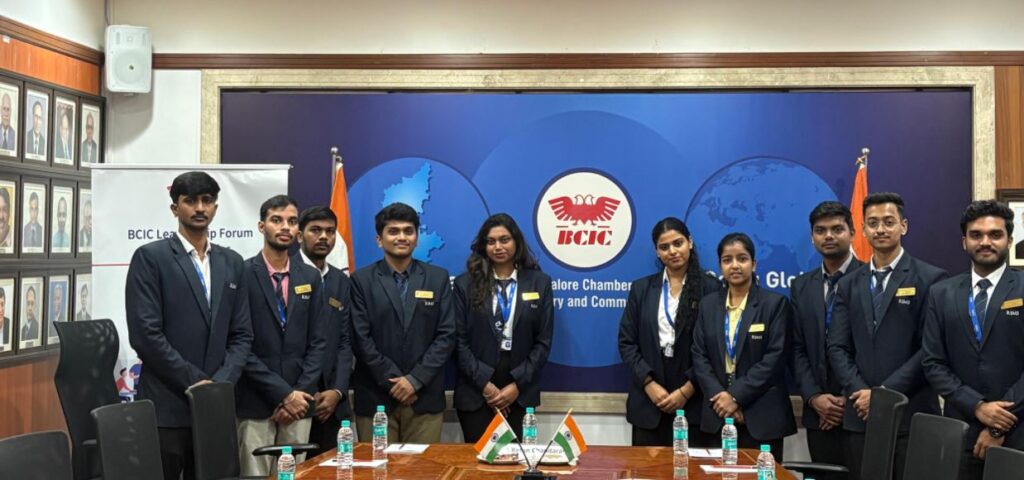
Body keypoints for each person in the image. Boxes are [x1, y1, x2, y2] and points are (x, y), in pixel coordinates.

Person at [126, 171, 253, 480]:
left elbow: (242, 334)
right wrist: (197, 382)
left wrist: (219, 385)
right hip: (168, 406)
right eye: (190, 201)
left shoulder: (232, 262)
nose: (199, 208)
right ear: (175, 208)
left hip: (217, 408)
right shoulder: (151, 258)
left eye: (207, 201)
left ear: (215, 208)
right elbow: (145, 335)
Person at [828, 192, 947, 480]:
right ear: (863, 229)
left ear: (903, 226)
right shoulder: (848, 284)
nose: (880, 229)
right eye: (873, 223)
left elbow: (929, 349)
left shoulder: (931, 279)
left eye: (888, 222)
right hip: (861, 415)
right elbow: (837, 347)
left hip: (912, 415)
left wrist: (881, 396)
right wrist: (862, 393)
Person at [922, 200, 1024, 480]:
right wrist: (978, 406)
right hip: (960, 433)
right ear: (964, 242)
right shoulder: (941, 293)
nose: (985, 242)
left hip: (1018, 435)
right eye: (976, 235)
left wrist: (997, 425)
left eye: (995, 234)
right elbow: (933, 363)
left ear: (1009, 240)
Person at [350, 202, 455, 444]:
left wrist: (414, 381)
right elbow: (360, 338)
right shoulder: (361, 280)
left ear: (417, 238)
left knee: (423, 466)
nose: (401, 237)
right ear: (379, 240)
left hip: (424, 398)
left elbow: (446, 335)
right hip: (376, 398)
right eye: (393, 231)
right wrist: (395, 383)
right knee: (378, 465)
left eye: (408, 231)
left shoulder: (437, 278)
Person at [236, 195, 326, 475]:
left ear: (298, 230)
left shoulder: (310, 277)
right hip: (255, 399)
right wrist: (282, 394)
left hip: (300, 401)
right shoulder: (241, 274)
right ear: (261, 226)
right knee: (255, 475)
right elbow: (238, 344)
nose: (285, 227)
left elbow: (319, 342)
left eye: (292, 221)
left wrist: (298, 395)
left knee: (294, 475)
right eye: (277, 220)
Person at [618, 217, 720, 447]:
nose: (672, 251)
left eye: (678, 243)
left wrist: (686, 391)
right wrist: (648, 384)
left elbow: (714, 348)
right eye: (664, 247)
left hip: (694, 404)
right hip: (649, 403)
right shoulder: (641, 289)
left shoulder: (711, 288)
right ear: (657, 252)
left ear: (690, 243)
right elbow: (627, 342)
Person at [691, 233, 795, 457]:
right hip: (717, 413)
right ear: (720, 266)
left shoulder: (774, 304)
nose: (735, 265)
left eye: (742, 258)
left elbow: (775, 359)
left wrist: (735, 397)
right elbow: (699, 355)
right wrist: (722, 398)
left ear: (753, 264)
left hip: (761, 415)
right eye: (727, 260)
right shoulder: (708, 305)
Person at [453, 213, 554, 443]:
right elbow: (458, 341)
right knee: (479, 461)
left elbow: (543, 341)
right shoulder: (465, 284)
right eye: (491, 241)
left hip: (520, 390)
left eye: (504, 240)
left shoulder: (539, 282)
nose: (498, 247)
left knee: (516, 460)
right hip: (476, 389)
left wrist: (516, 386)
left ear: (516, 242)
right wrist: (486, 386)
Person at [790, 201, 864, 477]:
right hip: (818, 414)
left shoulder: (869, 279)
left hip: (859, 410)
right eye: (820, 231)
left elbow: (876, 349)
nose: (829, 236)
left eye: (837, 229)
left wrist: (847, 399)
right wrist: (814, 397)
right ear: (812, 237)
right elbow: (796, 348)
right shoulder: (801, 286)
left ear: (852, 232)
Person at [296, 205, 354, 456]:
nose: (323, 237)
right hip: (295, 400)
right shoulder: (285, 272)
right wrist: (304, 391)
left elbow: (344, 341)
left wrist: (337, 391)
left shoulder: (340, 281)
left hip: (332, 405)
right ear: (300, 235)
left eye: (330, 232)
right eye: (315, 230)